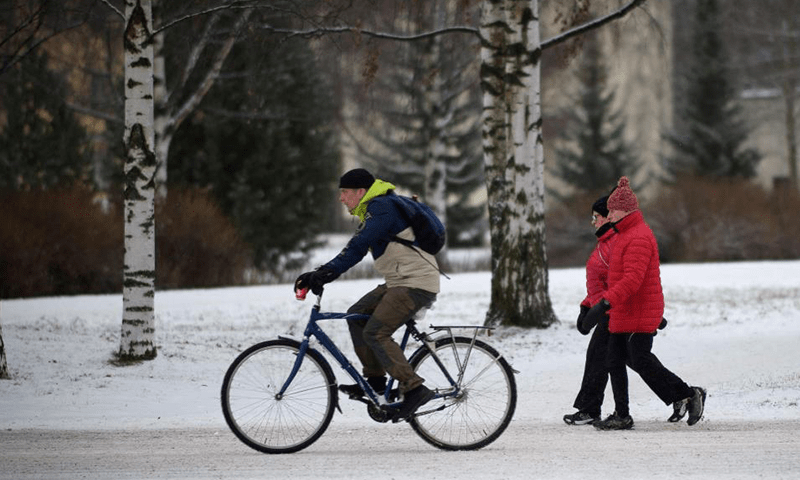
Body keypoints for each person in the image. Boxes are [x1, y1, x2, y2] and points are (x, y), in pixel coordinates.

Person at [294, 168, 439, 422]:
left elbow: (357, 248)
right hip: (399, 281)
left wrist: (324, 273)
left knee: (376, 331)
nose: (341, 198)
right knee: (356, 316)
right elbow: (357, 248)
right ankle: (374, 382)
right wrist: (321, 273)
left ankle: (414, 388)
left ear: (360, 192)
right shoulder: (376, 208)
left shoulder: (382, 208)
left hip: (415, 283)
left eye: (345, 193)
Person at [583, 176, 706, 430]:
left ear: (625, 211)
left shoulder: (637, 236)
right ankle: (622, 415)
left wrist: (605, 303)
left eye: (614, 210)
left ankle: (689, 393)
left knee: (639, 359)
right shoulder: (624, 235)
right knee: (614, 359)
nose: (611, 214)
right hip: (625, 309)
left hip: (638, 310)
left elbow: (633, 280)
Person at [563, 194, 617, 426]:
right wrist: (587, 306)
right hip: (604, 309)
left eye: (596, 217)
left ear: (608, 217)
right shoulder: (605, 242)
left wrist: (598, 308)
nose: (593, 222)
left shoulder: (615, 243)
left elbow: (619, 284)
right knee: (635, 359)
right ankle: (683, 395)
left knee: (602, 356)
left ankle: (589, 409)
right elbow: (599, 284)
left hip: (614, 311)